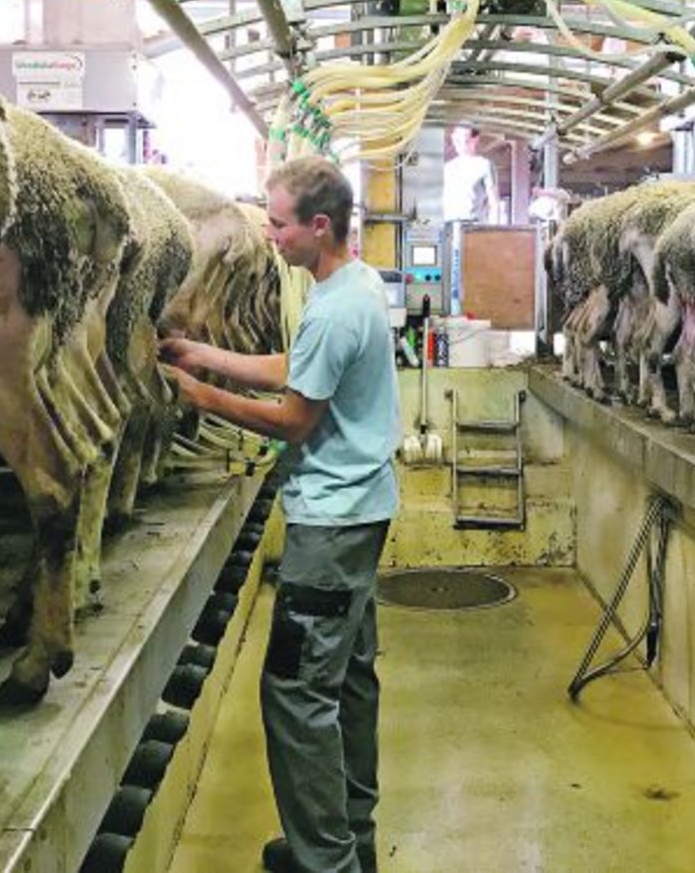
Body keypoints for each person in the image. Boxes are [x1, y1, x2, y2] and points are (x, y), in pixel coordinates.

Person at [160, 156, 400, 873]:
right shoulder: (355, 284)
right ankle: (349, 838)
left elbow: (295, 418)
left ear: (319, 226)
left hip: (328, 529)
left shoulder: (334, 308)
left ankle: (324, 860)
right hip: (361, 512)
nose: (269, 235)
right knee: (347, 680)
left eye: (278, 223)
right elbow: (301, 366)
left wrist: (201, 397)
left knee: (296, 692)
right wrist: (205, 355)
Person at [441, 124, 499, 224]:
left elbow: (494, 203)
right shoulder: (447, 168)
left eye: (462, 137)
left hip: (473, 226)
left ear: (475, 139)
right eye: (455, 137)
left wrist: (493, 231)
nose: (457, 141)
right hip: (448, 224)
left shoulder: (484, 165)